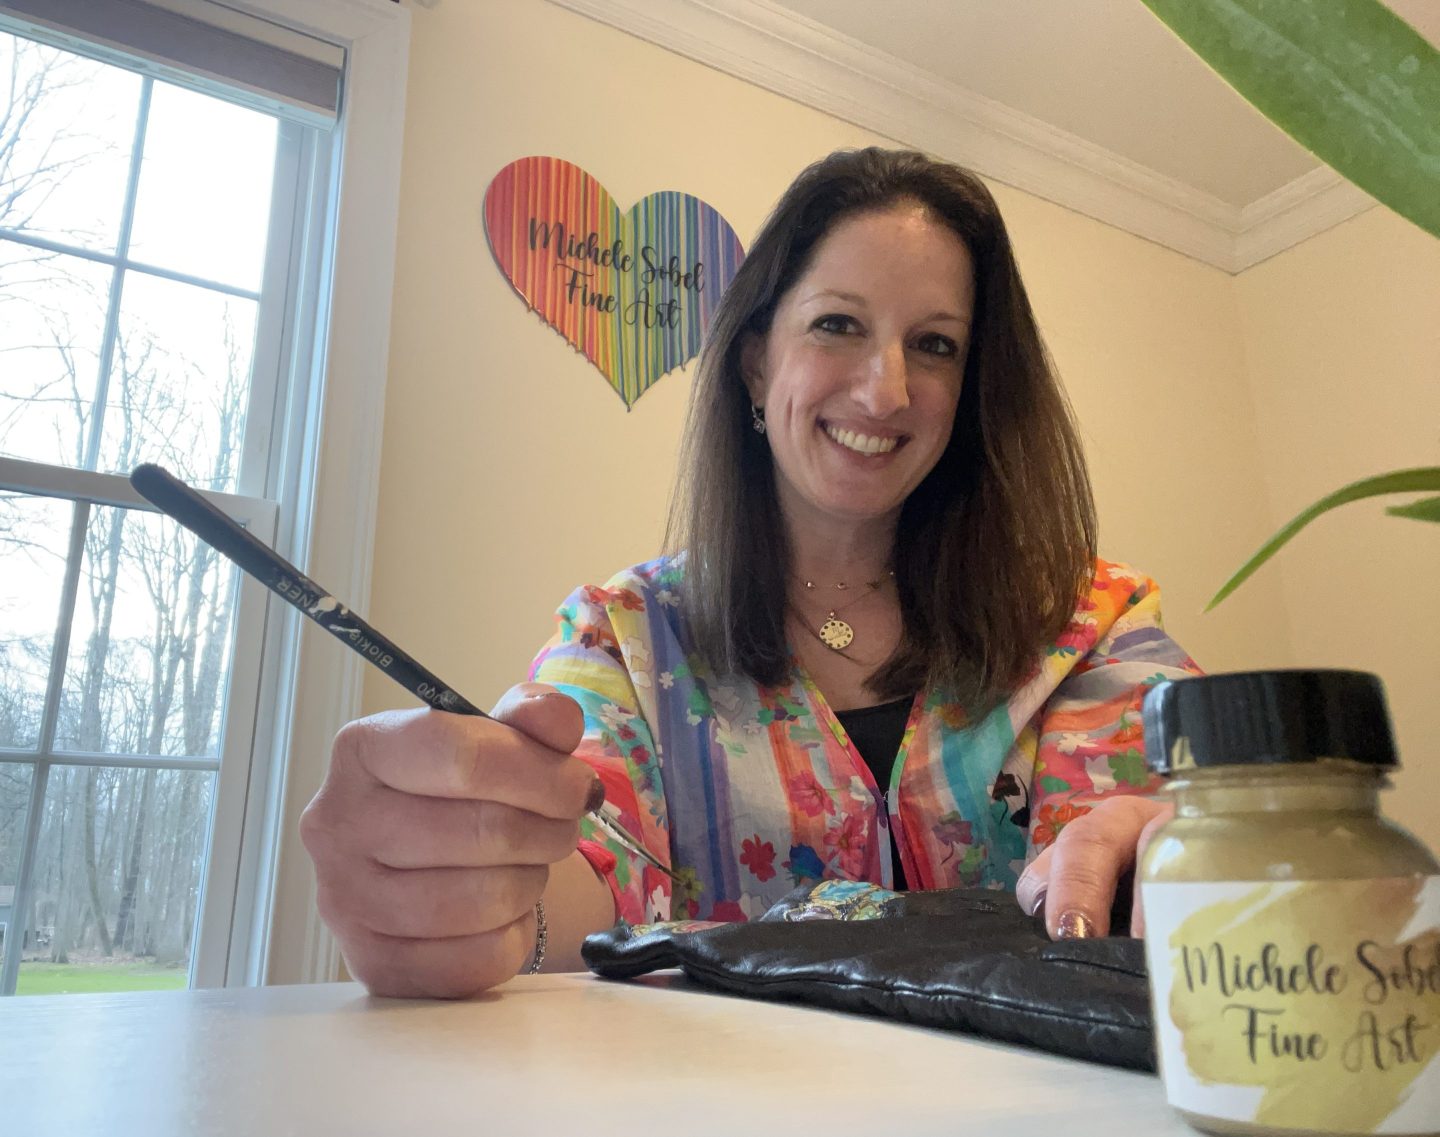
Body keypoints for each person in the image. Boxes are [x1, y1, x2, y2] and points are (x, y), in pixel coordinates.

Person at [301, 148, 1201, 999]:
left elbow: (1160, 815)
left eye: (935, 345)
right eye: (838, 324)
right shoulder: (622, 631)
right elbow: (579, 880)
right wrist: (477, 897)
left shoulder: (1092, 620)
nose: (887, 390)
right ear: (755, 361)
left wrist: (1187, 841)